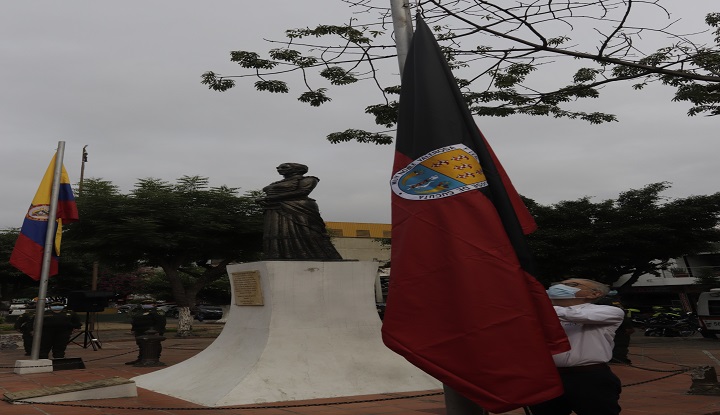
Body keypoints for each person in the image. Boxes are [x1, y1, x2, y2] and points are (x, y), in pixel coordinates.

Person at [529, 278, 625, 415]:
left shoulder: (609, 311)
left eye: (572, 285)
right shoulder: (537, 311)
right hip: (547, 378)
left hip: (588, 377)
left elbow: (575, 315)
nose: (561, 287)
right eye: (558, 284)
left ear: (594, 294)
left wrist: (537, 304)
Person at [255, 163, 343, 260]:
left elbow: (303, 192)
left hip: (298, 206)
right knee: (277, 231)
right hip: (274, 208)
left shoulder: (309, 179)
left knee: (304, 230)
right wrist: (266, 201)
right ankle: (280, 255)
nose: (279, 169)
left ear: (297, 169)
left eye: (284, 167)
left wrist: (269, 198)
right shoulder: (275, 183)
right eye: (278, 167)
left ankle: (316, 255)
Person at [126, 300, 166, 365]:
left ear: (154, 304)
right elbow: (135, 321)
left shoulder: (157, 311)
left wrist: (158, 331)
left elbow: (161, 322)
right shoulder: (140, 311)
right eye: (144, 303)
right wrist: (133, 329)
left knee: (155, 345)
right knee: (141, 345)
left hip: (152, 332)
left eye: (148, 303)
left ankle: (154, 359)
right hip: (140, 331)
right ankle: (141, 358)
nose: (145, 305)